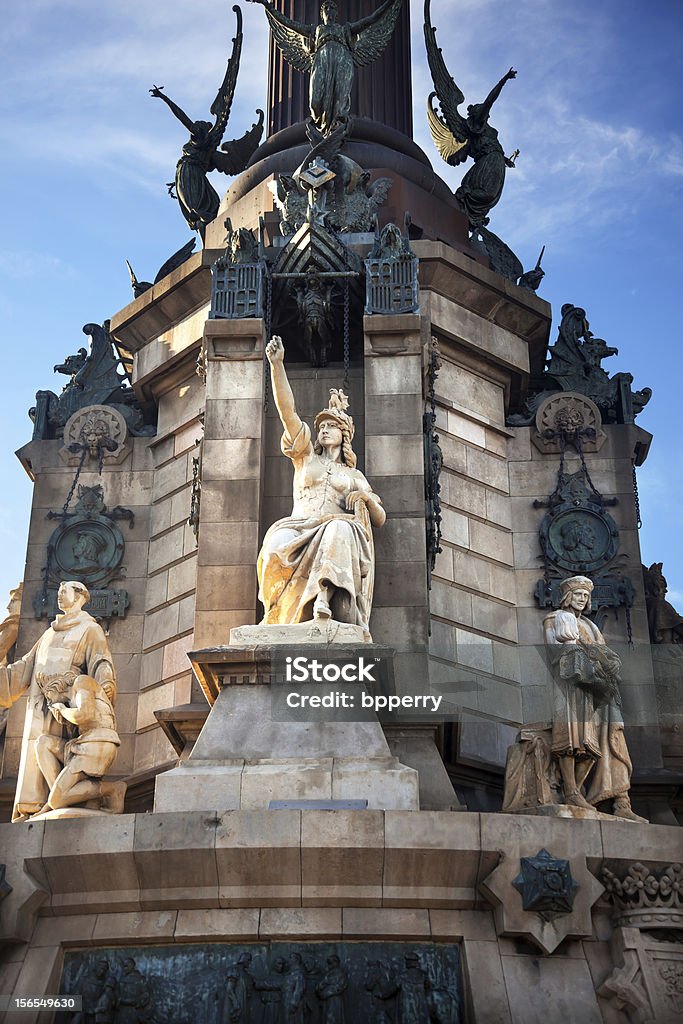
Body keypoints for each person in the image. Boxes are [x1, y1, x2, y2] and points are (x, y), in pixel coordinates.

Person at [258, 336, 385, 637]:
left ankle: (323, 603)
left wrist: (366, 498)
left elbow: (379, 518)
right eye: (322, 427)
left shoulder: (353, 475)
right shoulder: (305, 458)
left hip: (334, 526)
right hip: (298, 526)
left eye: (331, 426)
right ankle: (279, 614)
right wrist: (277, 366)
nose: (324, 430)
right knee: (274, 546)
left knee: (339, 531)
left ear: (344, 435)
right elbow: (288, 414)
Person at [0, 580, 116, 821]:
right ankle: (35, 805)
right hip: (38, 705)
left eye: (66, 592)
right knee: (35, 748)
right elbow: (23, 669)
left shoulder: (89, 628)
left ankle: (66, 799)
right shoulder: (48, 633)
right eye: (60, 592)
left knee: (54, 748)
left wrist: (103, 692)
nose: (60, 596)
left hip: (67, 707)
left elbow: (101, 663)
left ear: (81, 596)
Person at [543, 575, 645, 820]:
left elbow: (604, 653)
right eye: (578, 594)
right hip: (568, 685)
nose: (582, 599)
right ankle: (571, 790)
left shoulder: (591, 626)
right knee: (571, 739)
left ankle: (593, 793)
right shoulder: (554, 618)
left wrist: (606, 665)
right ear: (568, 596)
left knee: (593, 743)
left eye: (586, 596)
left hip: (595, 688)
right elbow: (554, 649)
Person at [249, 0, 403, 133]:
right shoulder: (315, 31)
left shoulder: (345, 30)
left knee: (340, 99)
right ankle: (321, 126)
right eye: (326, 9)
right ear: (321, 14)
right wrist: (268, 6)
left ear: (336, 14)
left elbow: (371, 19)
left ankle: (337, 126)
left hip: (342, 61)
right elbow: (288, 23)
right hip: (321, 62)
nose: (329, 11)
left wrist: (389, 3)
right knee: (315, 101)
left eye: (332, 8)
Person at [33, 670, 124, 816]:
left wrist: (62, 710)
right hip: (85, 744)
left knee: (56, 800)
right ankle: (60, 799)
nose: (49, 702)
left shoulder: (82, 682)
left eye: (48, 696)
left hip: (99, 743)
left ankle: (112, 789)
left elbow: (85, 714)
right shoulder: (71, 701)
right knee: (43, 743)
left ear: (55, 687)